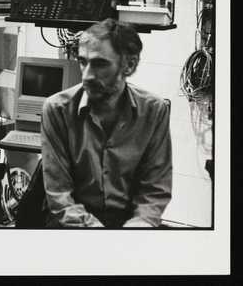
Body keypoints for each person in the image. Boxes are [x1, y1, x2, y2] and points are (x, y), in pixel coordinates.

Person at [38, 18, 172, 228]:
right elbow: (60, 197)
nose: (87, 75)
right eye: (83, 61)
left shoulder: (154, 110)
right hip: (72, 224)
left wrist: (136, 229)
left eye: (100, 64)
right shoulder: (57, 110)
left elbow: (154, 193)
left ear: (129, 64)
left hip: (130, 223)